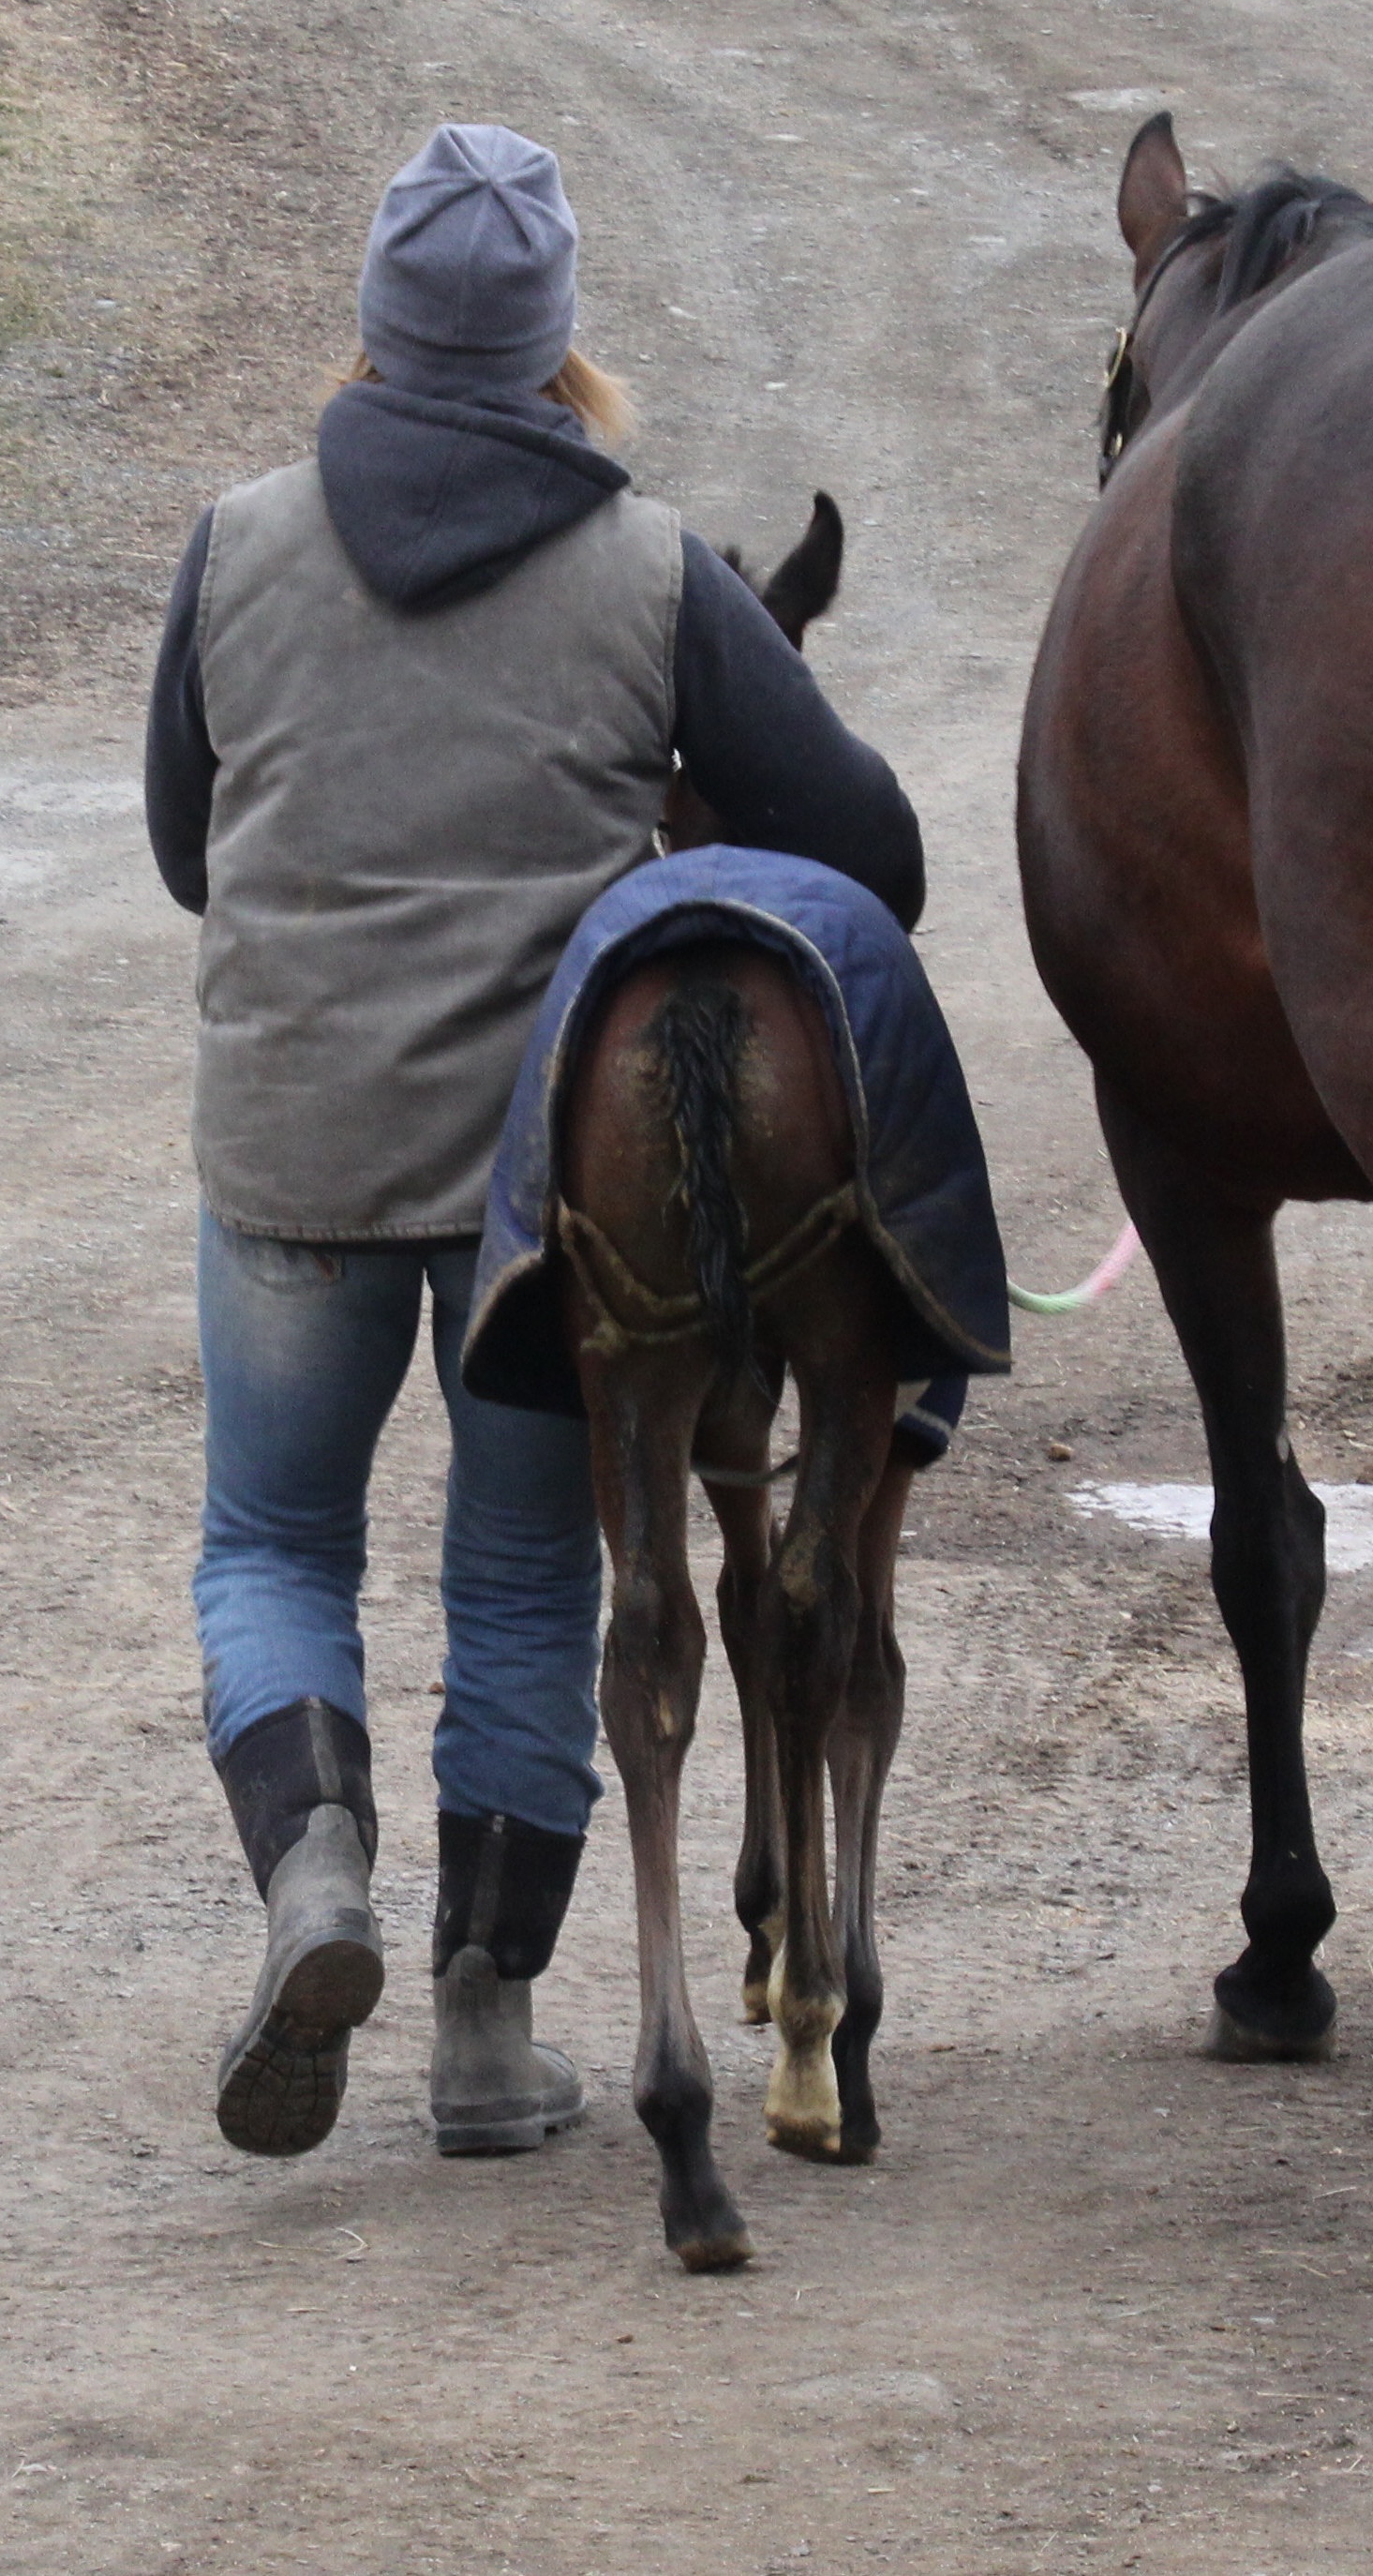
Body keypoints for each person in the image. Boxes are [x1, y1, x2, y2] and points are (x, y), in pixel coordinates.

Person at [144, 123, 924, 2163]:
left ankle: (316, 1874)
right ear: (559, 343)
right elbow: (869, 849)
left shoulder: (233, 542)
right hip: (545, 1198)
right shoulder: (653, 571)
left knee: (270, 1545)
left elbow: (176, 844)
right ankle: (486, 2033)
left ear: (375, 324)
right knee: (518, 1582)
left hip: (293, 1144)